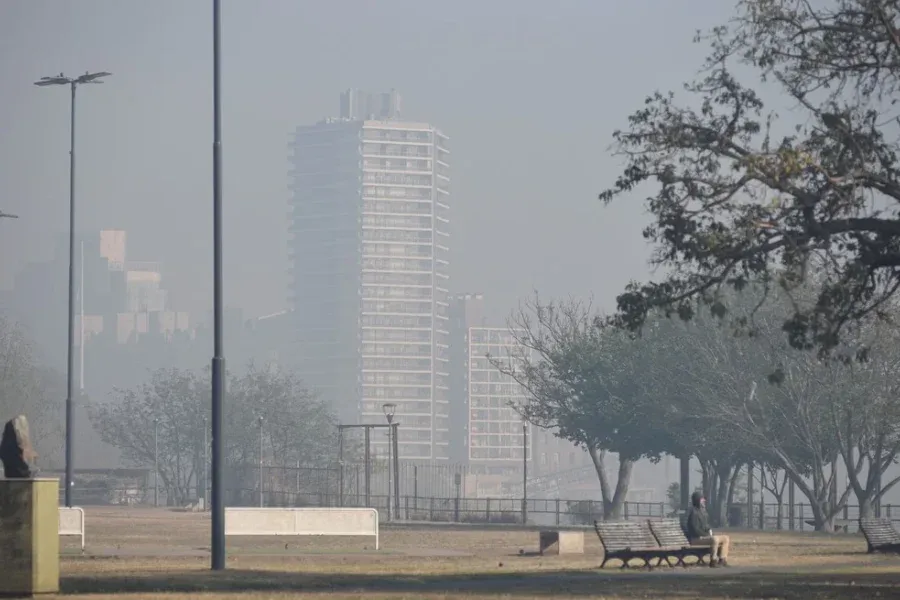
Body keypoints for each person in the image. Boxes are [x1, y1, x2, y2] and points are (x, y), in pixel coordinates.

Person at [686, 491, 730, 567]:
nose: (704, 501)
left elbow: (706, 526)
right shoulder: (693, 512)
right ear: (697, 500)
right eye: (702, 499)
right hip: (696, 538)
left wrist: (709, 530)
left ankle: (722, 559)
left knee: (725, 538)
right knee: (715, 539)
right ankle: (713, 561)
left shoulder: (703, 512)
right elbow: (694, 529)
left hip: (703, 537)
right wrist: (706, 535)